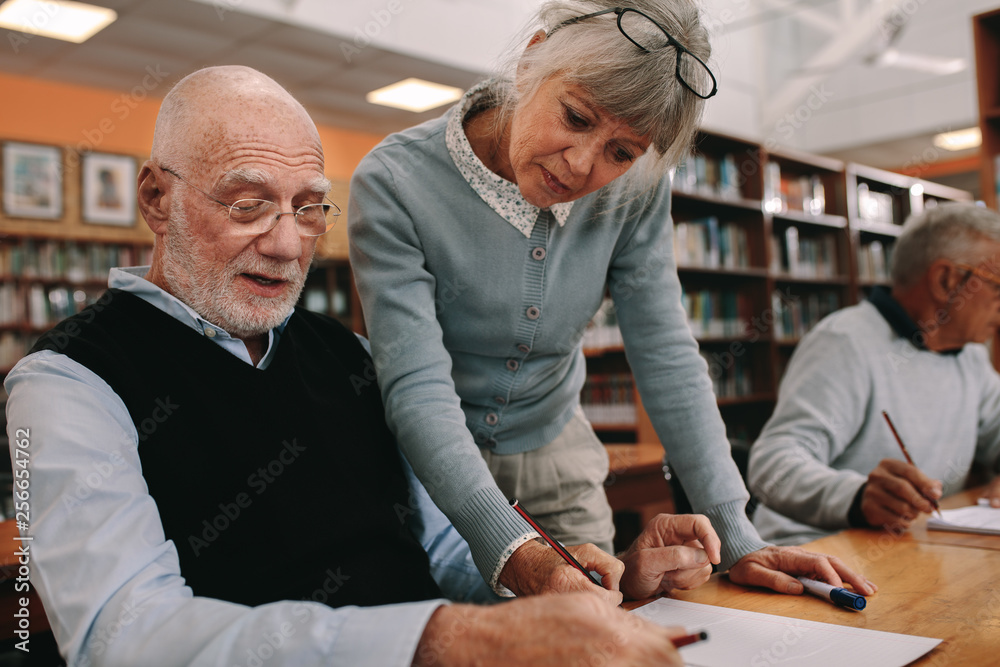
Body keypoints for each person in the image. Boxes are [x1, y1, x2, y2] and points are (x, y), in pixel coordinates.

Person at [5, 65, 719, 667]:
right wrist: (441, 638)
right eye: (249, 204)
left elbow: (449, 548)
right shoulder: (65, 383)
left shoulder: (349, 354)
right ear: (156, 198)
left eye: (310, 208)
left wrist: (586, 581)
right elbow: (123, 636)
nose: (287, 245)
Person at [348, 0, 872, 602]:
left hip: (555, 449)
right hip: (420, 462)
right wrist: (509, 546)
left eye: (622, 152)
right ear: (531, 59)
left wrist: (736, 532)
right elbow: (417, 385)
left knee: (603, 622)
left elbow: (667, 353)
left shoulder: (634, 191)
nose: (580, 165)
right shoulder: (394, 181)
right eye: (575, 118)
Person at [748, 202, 1000, 546]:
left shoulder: (969, 356)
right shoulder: (844, 342)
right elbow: (771, 468)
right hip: (817, 553)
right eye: (998, 286)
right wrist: (857, 496)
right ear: (946, 281)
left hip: (914, 549)